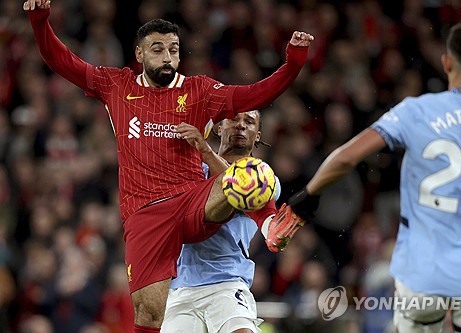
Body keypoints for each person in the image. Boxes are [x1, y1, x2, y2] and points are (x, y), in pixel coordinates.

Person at [23, 1, 313, 332]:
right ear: (139, 54)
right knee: (148, 315)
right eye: (157, 49)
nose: (167, 57)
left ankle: (270, 224)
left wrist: (293, 62)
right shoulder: (118, 86)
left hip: (190, 201)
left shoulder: (199, 91)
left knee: (246, 173)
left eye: (173, 50)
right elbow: (64, 62)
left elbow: (254, 95)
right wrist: (40, 21)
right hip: (145, 213)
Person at [282, 21, 461, 332]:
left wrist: (309, 192)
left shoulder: (416, 111)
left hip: (424, 268)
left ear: (447, 62)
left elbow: (346, 157)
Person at [161, 110, 279, 333]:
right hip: (180, 287)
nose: (241, 125)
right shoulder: (192, 170)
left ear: (257, 135)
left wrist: (205, 150)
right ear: (218, 127)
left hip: (227, 282)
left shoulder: (264, 179)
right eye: (234, 119)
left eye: (249, 122)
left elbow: (238, 185)